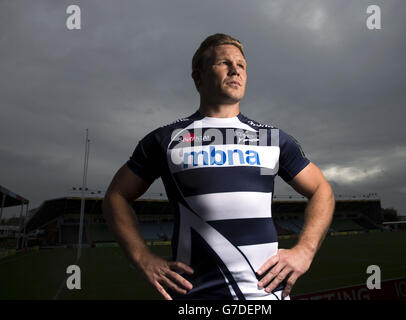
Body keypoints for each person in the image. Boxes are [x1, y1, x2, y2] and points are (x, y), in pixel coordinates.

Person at [102, 33, 335, 300]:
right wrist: (142, 258)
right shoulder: (165, 139)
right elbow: (116, 196)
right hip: (195, 298)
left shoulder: (272, 139)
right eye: (224, 62)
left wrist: (305, 250)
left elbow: (321, 190)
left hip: (265, 297)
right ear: (198, 76)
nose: (235, 69)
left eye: (241, 65)